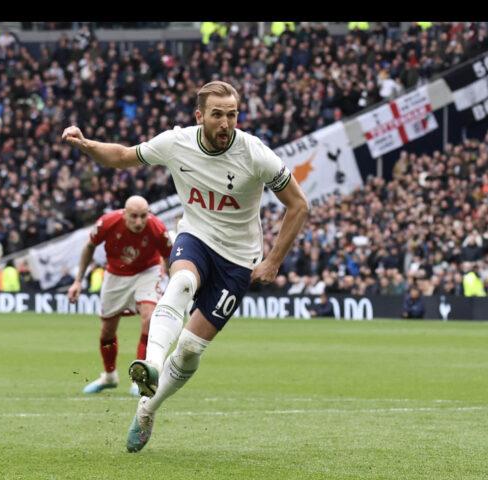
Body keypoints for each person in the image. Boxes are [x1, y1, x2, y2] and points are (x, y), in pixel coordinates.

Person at [62, 80, 309, 452]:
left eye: (232, 115)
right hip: (195, 236)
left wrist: (273, 260)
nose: (226, 123)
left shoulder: (255, 154)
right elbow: (121, 156)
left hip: (238, 260)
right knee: (180, 284)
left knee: (192, 348)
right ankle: (152, 365)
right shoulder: (176, 143)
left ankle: (148, 407)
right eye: (217, 115)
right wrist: (86, 145)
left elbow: (299, 204)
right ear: (200, 116)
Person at [67, 195, 173, 396]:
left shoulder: (157, 228)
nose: (139, 222)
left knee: (149, 319)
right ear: (124, 214)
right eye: (134, 216)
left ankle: (140, 378)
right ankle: (109, 376)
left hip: (147, 273)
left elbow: (170, 256)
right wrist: (78, 280)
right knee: (107, 331)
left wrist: (173, 284)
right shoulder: (107, 222)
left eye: (143, 216)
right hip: (115, 275)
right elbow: (89, 247)